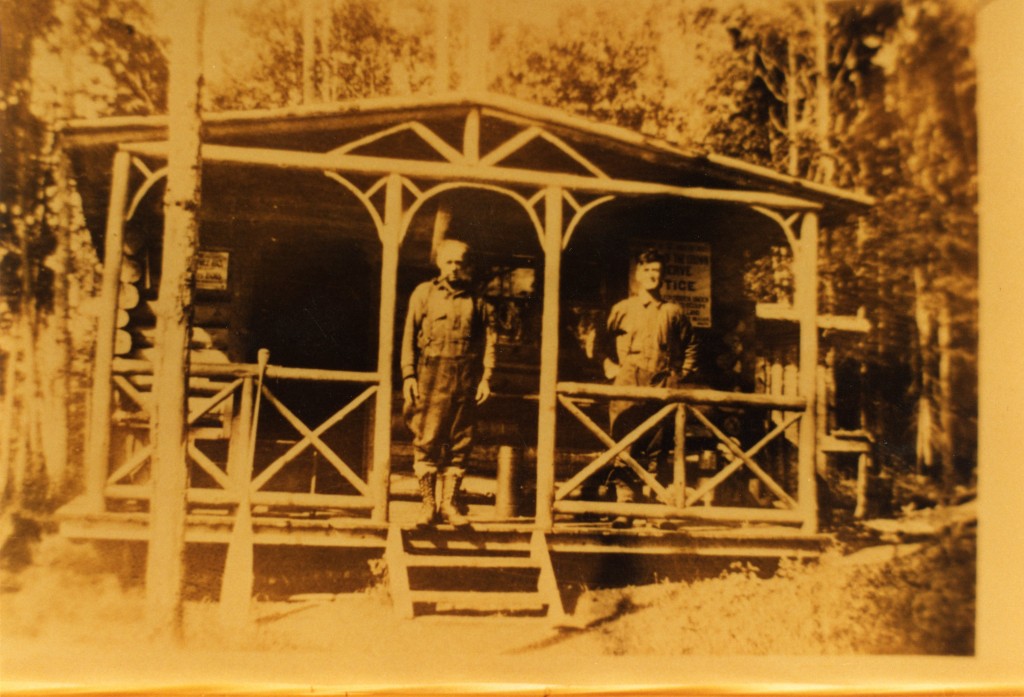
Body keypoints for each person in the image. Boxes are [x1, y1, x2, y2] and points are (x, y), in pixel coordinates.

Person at [400, 239, 496, 527]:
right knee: (427, 438)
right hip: (431, 374)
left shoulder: (477, 301)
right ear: (440, 263)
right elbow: (408, 336)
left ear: (467, 266)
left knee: (461, 440)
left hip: (466, 377)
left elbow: (490, 342)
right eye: (449, 262)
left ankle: (449, 506)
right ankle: (427, 506)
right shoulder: (424, 294)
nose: (454, 268)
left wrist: (486, 378)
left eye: (460, 263)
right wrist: (408, 374)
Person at [602, 248, 698, 527]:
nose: (652, 276)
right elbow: (599, 342)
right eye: (647, 271)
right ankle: (626, 506)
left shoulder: (673, 312)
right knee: (624, 443)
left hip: (661, 382)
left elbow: (691, 345)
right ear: (637, 275)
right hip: (627, 381)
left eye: (657, 271)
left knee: (658, 446)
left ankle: (656, 509)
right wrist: (610, 367)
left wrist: (679, 374)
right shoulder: (623, 309)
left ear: (663, 276)